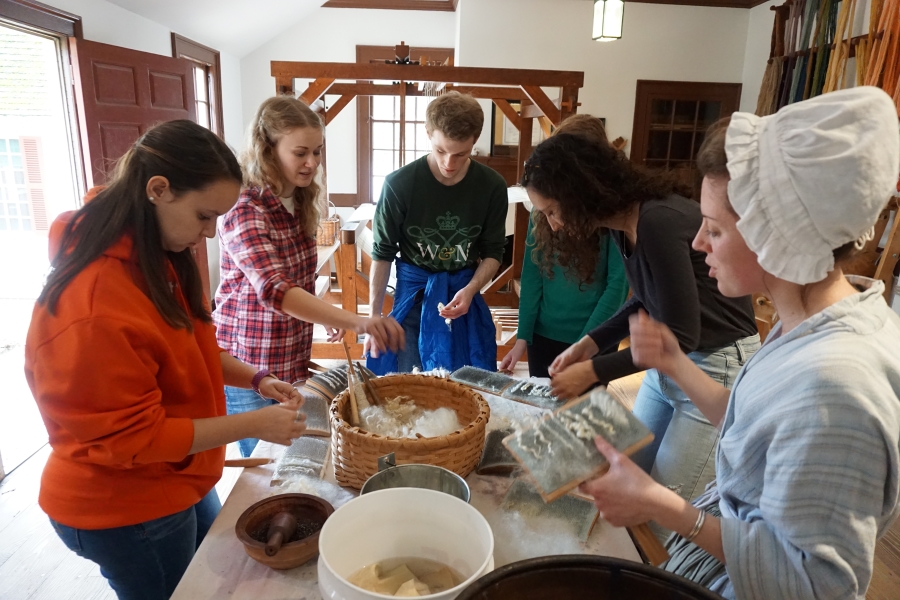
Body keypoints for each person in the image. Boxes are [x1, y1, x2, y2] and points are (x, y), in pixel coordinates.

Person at [581, 86, 900, 599]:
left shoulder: (837, 386)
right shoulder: (812, 318)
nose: (698, 243)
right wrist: (675, 363)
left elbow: (812, 583)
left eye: (714, 229)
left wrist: (663, 506)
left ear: (779, 235)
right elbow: (759, 426)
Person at [25, 120, 308, 600]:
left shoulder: (155, 256)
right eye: (203, 216)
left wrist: (257, 377)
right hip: (121, 505)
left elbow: (192, 348)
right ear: (158, 190)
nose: (209, 233)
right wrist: (252, 424)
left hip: (175, 475)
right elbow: (137, 437)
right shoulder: (94, 304)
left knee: (202, 581)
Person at [521, 130, 760, 510]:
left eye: (552, 211)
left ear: (578, 192)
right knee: (627, 481)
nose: (553, 225)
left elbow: (682, 334)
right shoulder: (623, 222)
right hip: (667, 363)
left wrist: (594, 371)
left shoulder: (656, 221)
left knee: (664, 511)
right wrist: (591, 343)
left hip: (715, 365)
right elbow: (646, 298)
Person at [214, 96, 404, 457]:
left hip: (289, 354)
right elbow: (275, 289)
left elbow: (296, 280)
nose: (312, 163)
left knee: (290, 451)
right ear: (268, 149)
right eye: (300, 152)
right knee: (262, 464)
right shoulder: (246, 208)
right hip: (247, 363)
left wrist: (324, 310)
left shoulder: (299, 199)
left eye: (317, 152)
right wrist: (356, 321)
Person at [366, 91, 508, 374]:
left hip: (464, 294)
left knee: (467, 384)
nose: (449, 164)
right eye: (441, 150)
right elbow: (382, 254)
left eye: (461, 154)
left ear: (475, 141)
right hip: (414, 295)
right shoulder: (399, 184)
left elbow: (493, 252)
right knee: (410, 384)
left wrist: (470, 290)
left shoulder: (491, 185)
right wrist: (373, 318)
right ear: (428, 133)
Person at [500, 114, 629, 377]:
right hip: (544, 335)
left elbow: (617, 287)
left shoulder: (615, 215)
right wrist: (523, 337)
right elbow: (532, 275)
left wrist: (584, 345)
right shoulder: (542, 209)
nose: (555, 221)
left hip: (595, 336)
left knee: (582, 415)